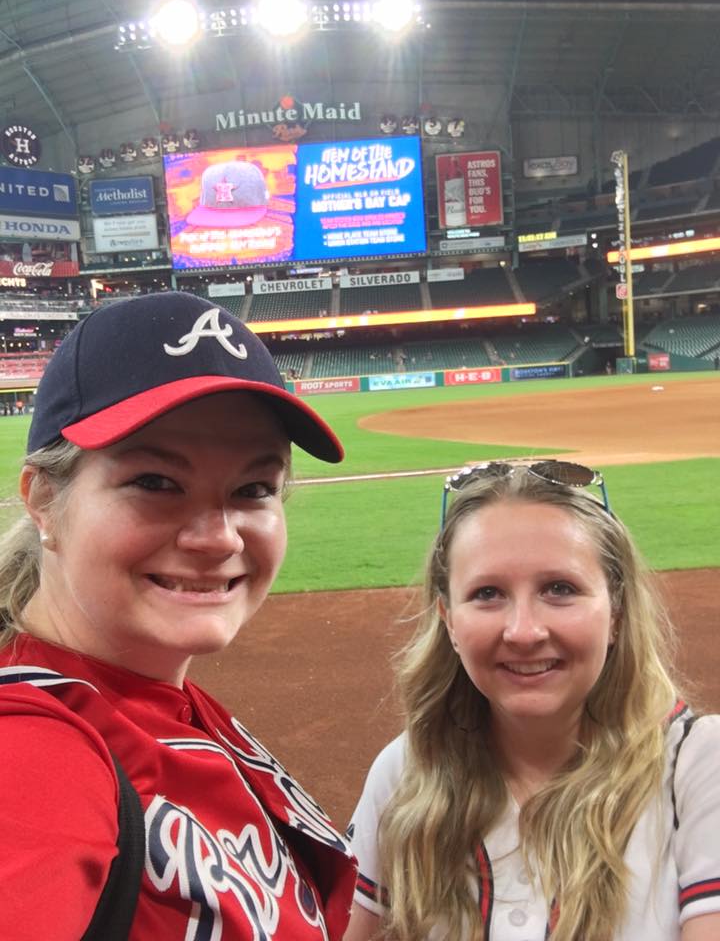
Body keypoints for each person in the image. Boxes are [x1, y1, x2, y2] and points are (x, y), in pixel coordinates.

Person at [0, 291, 357, 940]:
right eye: (156, 482)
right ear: (44, 499)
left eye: (254, 488)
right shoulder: (30, 754)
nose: (218, 537)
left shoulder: (154, 695)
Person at [344, 460, 720, 941]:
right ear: (449, 621)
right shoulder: (405, 772)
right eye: (487, 593)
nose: (523, 632)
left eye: (560, 589)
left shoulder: (697, 768)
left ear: (617, 611)